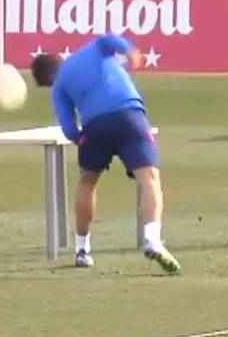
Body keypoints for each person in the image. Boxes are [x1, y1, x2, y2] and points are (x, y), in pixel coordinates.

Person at [30, 35, 180, 273]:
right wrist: (129, 51)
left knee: (88, 182)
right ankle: (153, 240)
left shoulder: (59, 88)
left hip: (95, 126)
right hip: (130, 116)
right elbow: (107, 39)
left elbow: (69, 129)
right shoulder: (92, 50)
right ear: (59, 59)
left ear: (48, 80)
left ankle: (82, 249)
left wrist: (84, 140)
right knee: (149, 178)